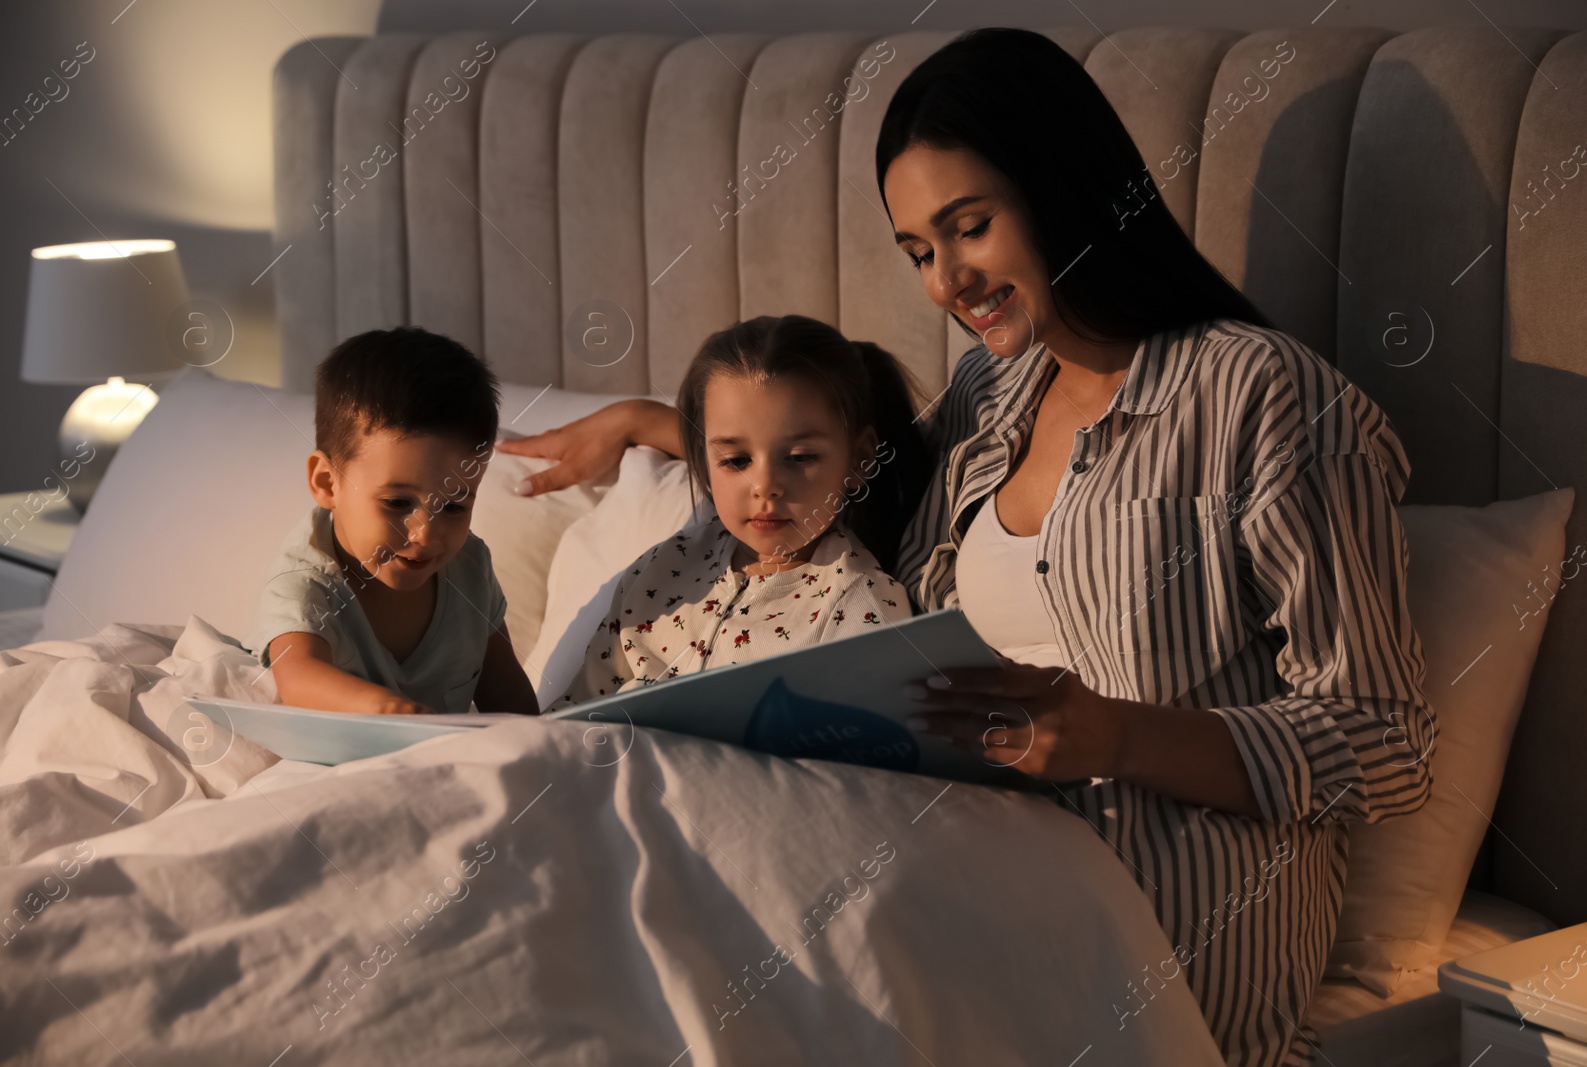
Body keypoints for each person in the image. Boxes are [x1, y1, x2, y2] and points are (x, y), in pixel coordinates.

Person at [497, 28, 1433, 1067]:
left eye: (969, 227)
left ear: (1063, 186)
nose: (946, 281)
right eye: (917, 252)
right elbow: (833, 469)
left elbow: (1385, 739)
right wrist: (646, 422)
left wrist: (1117, 738)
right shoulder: (994, 394)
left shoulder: (1263, 396)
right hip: (937, 890)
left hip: (1149, 945)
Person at [551, 314, 927, 707]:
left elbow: (862, 759)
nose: (764, 486)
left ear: (860, 460)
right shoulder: (658, 571)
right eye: (735, 460)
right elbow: (574, 715)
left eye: (800, 457)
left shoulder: (861, 610)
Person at [249, 327, 539, 717]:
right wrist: (392, 712)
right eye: (397, 502)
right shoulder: (305, 582)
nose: (426, 533)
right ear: (326, 482)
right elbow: (299, 677)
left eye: (454, 506)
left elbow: (512, 705)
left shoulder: (469, 568)